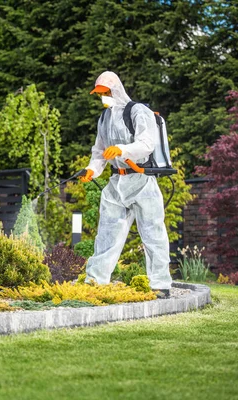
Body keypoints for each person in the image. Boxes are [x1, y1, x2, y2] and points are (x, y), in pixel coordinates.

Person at [79, 71, 172, 298]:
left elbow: (147, 143)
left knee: (153, 233)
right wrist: (93, 169)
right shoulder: (104, 118)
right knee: (107, 233)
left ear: (116, 90)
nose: (103, 97)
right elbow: (99, 151)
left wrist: (123, 149)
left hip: (141, 180)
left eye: (106, 92)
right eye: (100, 94)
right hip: (116, 181)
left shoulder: (138, 111)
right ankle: (95, 280)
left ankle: (160, 284)